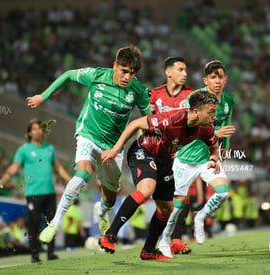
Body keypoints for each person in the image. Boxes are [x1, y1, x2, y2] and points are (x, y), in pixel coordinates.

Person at [26, 45, 151, 245]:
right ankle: (54, 223)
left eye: (132, 73)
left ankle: (100, 211)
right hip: (88, 136)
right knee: (83, 173)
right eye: (124, 71)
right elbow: (67, 75)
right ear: (115, 66)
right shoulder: (97, 75)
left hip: (114, 147)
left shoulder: (139, 90)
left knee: (110, 198)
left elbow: (149, 119)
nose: (127, 77)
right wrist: (44, 96)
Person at [98, 89, 224, 260]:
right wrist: (115, 149)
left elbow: (214, 148)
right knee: (146, 189)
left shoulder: (205, 128)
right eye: (211, 112)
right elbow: (135, 124)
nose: (214, 116)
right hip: (143, 151)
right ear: (196, 111)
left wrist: (214, 160)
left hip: (164, 159)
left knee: (167, 209)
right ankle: (110, 235)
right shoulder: (171, 119)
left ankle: (148, 250)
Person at [158, 60, 236, 257]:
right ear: (205, 80)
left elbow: (226, 127)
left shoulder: (228, 101)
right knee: (177, 205)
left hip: (209, 156)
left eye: (220, 77)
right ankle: (165, 239)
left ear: (225, 80)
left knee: (223, 192)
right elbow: (190, 126)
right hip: (186, 156)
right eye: (213, 77)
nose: (217, 81)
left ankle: (200, 217)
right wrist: (216, 132)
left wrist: (223, 151)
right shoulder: (195, 99)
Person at [0, 119, 72, 263]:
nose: (38, 131)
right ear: (29, 133)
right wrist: (2, 181)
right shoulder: (24, 150)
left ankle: (51, 252)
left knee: (52, 223)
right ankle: (35, 254)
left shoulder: (49, 148)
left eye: (40, 128)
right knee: (33, 224)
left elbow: (58, 168)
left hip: (50, 192)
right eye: (34, 129)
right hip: (33, 193)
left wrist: (71, 181)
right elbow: (14, 168)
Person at [150, 56, 195, 254]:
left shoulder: (192, 95)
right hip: (159, 152)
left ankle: (176, 239)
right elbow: (148, 119)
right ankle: (159, 239)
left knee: (183, 195)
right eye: (180, 69)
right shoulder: (155, 95)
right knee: (163, 199)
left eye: (186, 70)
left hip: (182, 151)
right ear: (168, 72)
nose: (185, 74)